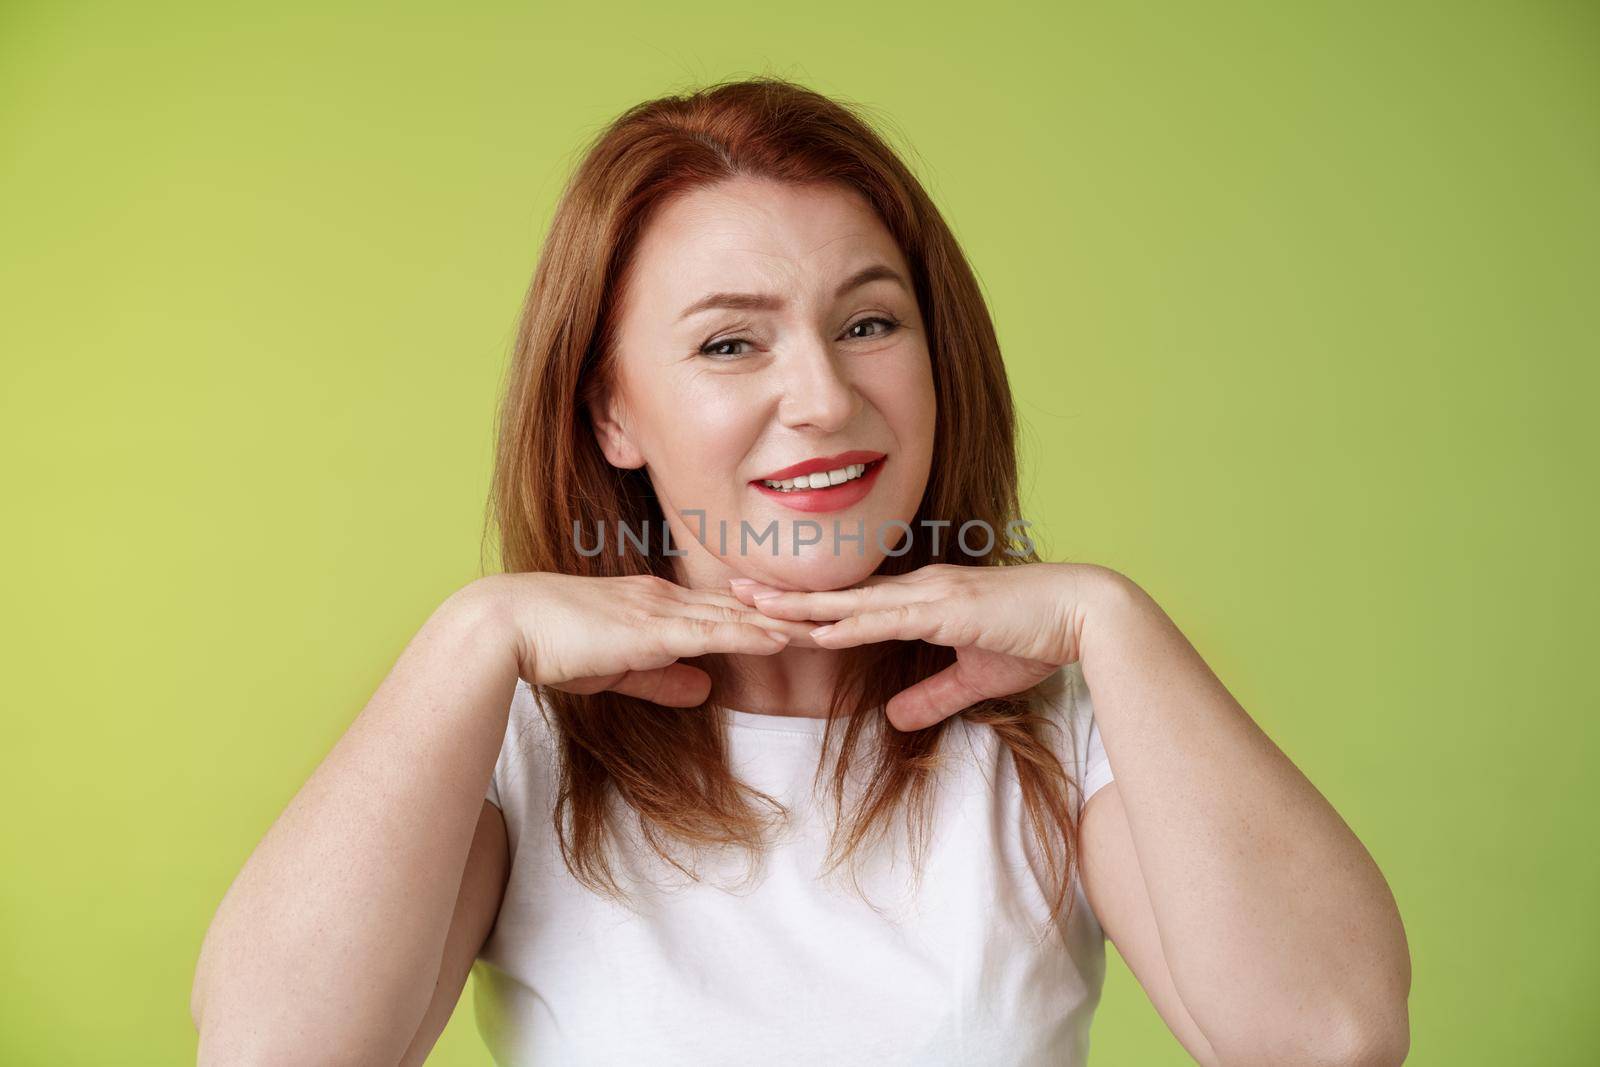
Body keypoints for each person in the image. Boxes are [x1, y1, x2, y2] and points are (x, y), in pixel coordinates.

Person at [190, 76, 1412, 1066]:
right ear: (611, 412)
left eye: (869, 322)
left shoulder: (1060, 726)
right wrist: (469, 638)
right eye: (731, 341)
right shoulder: (517, 741)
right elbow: (271, 1049)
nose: (825, 398)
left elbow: (1326, 1037)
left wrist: (1112, 618)